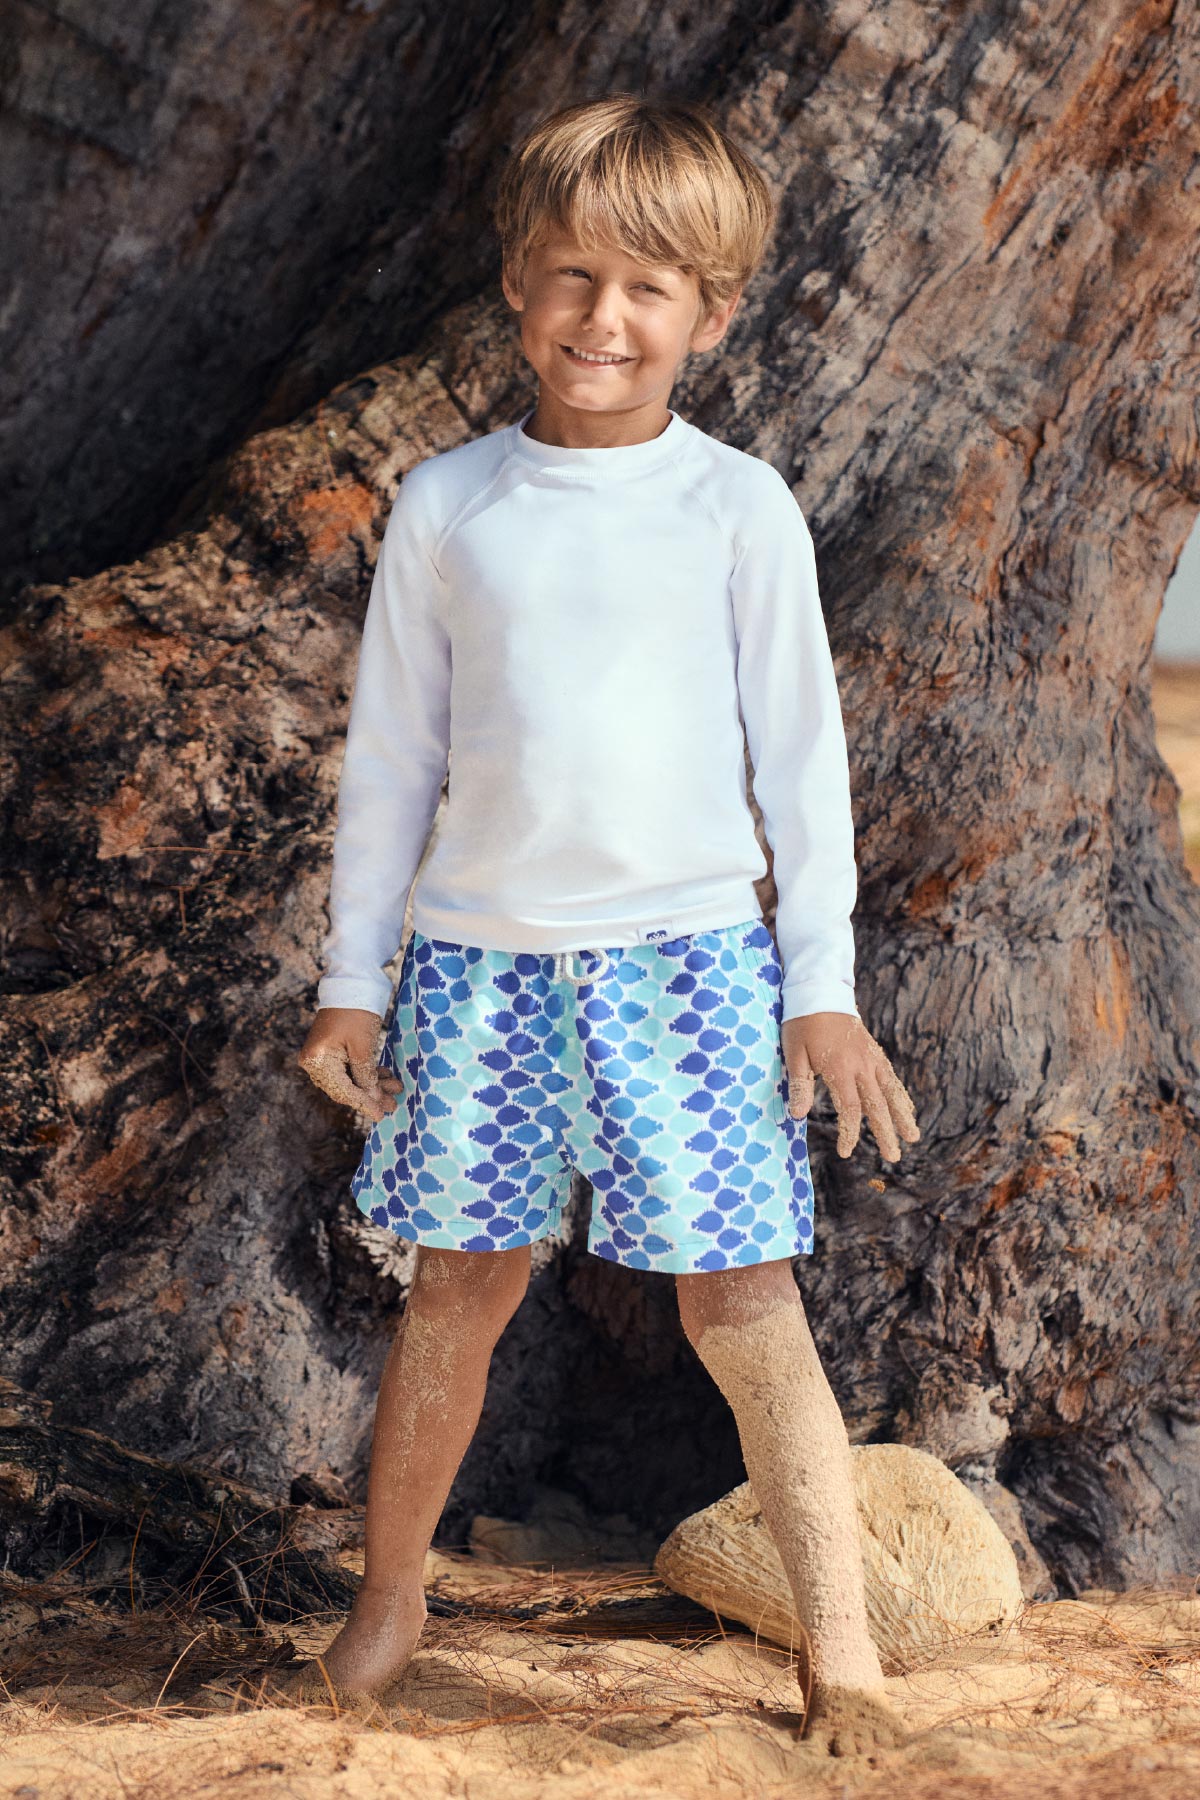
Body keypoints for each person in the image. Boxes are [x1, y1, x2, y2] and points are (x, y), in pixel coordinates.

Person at [288, 93, 920, 1754]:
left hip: (694, 969)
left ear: (711, 314)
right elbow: (392, 767)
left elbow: (804, 772)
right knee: (459, 1291)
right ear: (517, 281)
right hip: (479, 969)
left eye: (651, 290)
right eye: (574, 277)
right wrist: (355, 983)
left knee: (744, 1305)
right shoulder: (450, 508)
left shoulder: (737, 510)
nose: (605, 320)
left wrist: (822, 993)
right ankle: (390, 1597)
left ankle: (840, 1646)